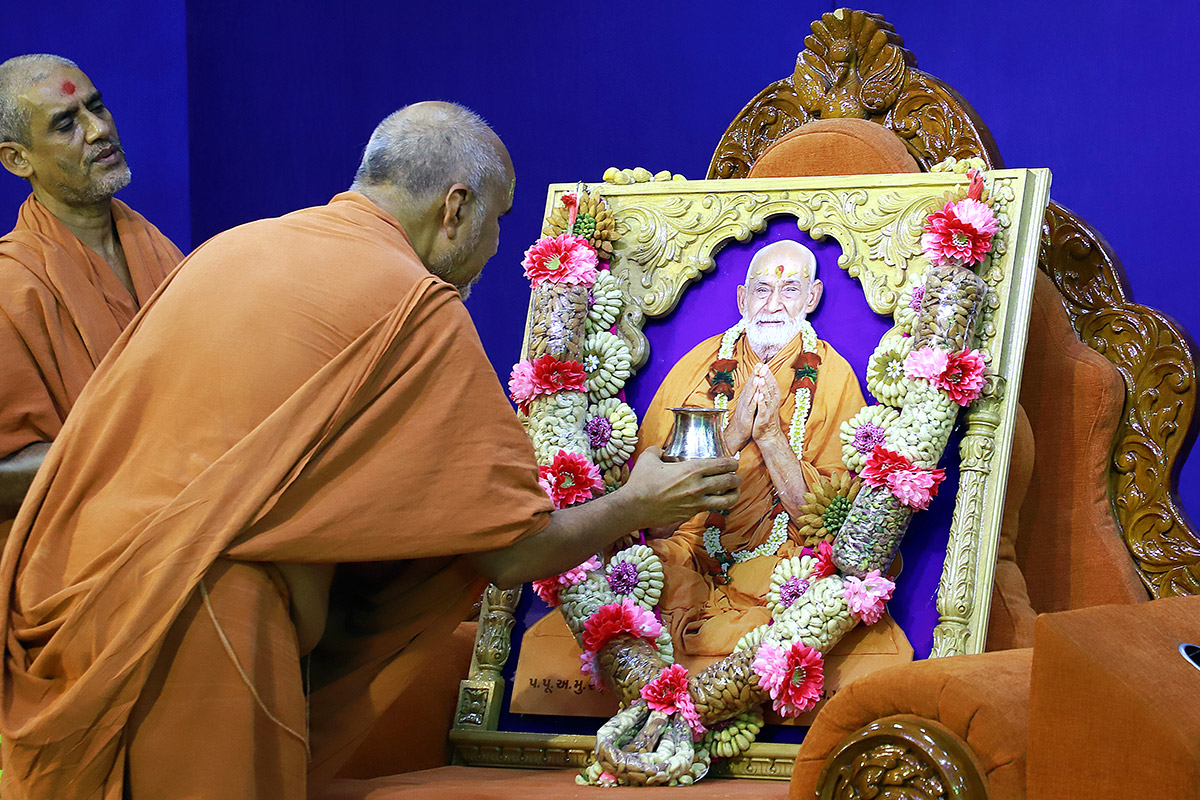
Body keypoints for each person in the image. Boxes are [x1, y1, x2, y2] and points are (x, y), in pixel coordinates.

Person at [0, 101, 739, 799]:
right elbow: (513, 553)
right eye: (499, 220)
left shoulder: (228, 248)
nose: (495, 247)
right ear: (455, 210)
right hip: (196, 625)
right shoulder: (415, 307)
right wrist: (639, 502)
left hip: (71, 593)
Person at [637, 240, 868, 661]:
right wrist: (735, 433)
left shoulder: (834, 377)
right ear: (742, 298)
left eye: (790, 290)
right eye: (762, 290)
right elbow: (651, 519)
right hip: (690, 550)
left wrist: (771, 436)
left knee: (811, 594)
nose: (773, 304)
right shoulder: (697, 367)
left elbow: (833, 527)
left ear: (812, 297)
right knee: (640, 574)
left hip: (782, 563)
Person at [0, 54, 182, 531]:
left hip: (182, 504)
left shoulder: (154, 247)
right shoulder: (11, 285)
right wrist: (157, 454)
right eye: (66, 123)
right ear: (18, 159)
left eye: (96, 107)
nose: (99, 129)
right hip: (81, 535)